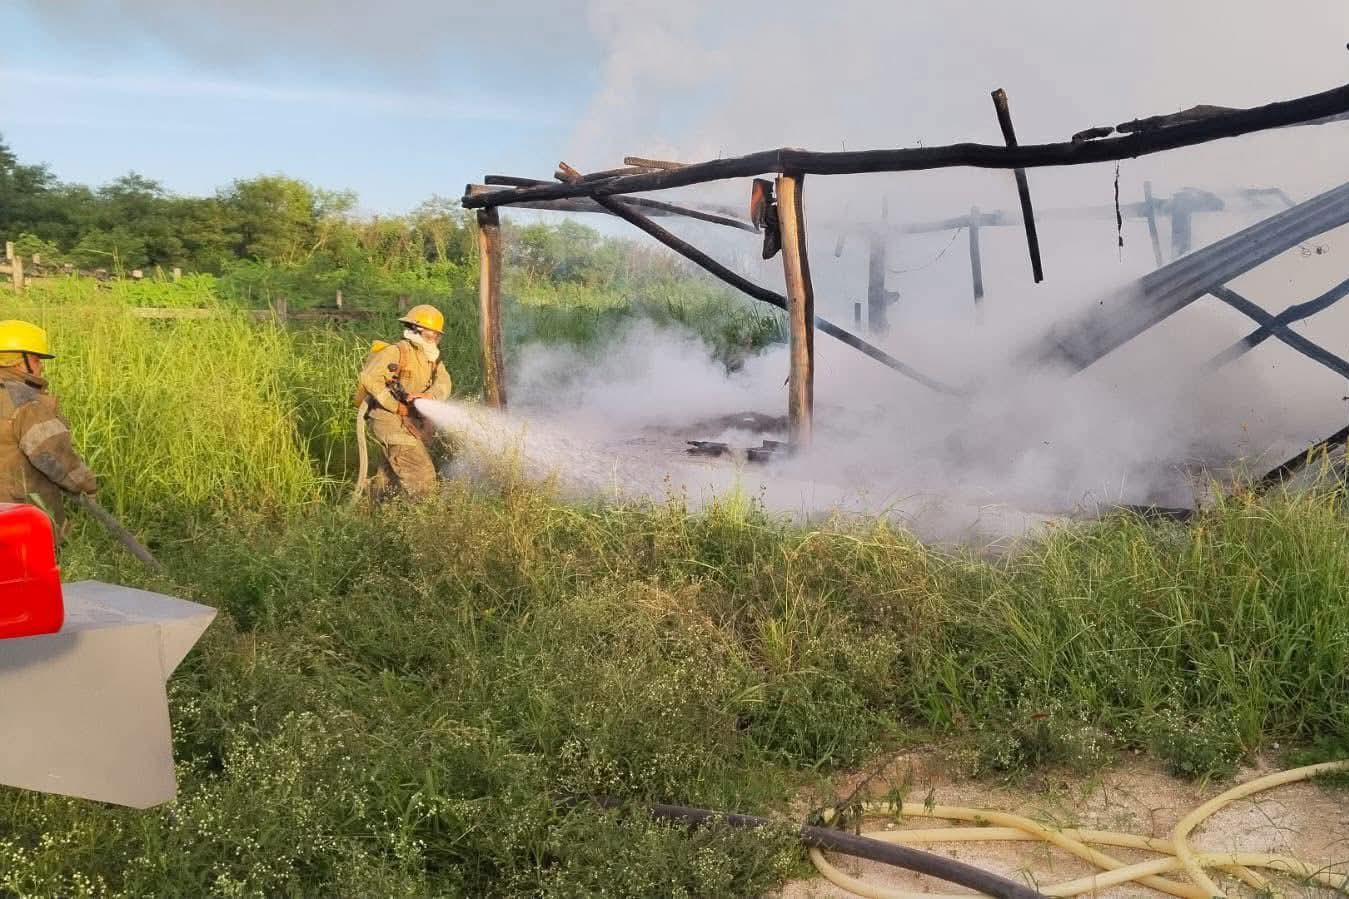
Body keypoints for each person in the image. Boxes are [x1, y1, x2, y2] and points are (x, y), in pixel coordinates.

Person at [0, 320, 97, 535]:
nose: (41, 366)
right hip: (19, 522)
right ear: (19, 361)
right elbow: (54, 458)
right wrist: (87, 487)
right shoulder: (27, 404)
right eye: (36, 359)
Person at [356, 304, 452, 498]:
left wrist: (431, 396)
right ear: (416, 330)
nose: (435, 338)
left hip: (409, 422)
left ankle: (373, 509)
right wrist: (395, 405)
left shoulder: (432, 358)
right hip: (389, 421)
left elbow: (444, 382)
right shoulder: (397, 351)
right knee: (422, 476)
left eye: (437, 335)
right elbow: (369, 378)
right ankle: (426, 514)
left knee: (388, 479)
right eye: (432, 333)